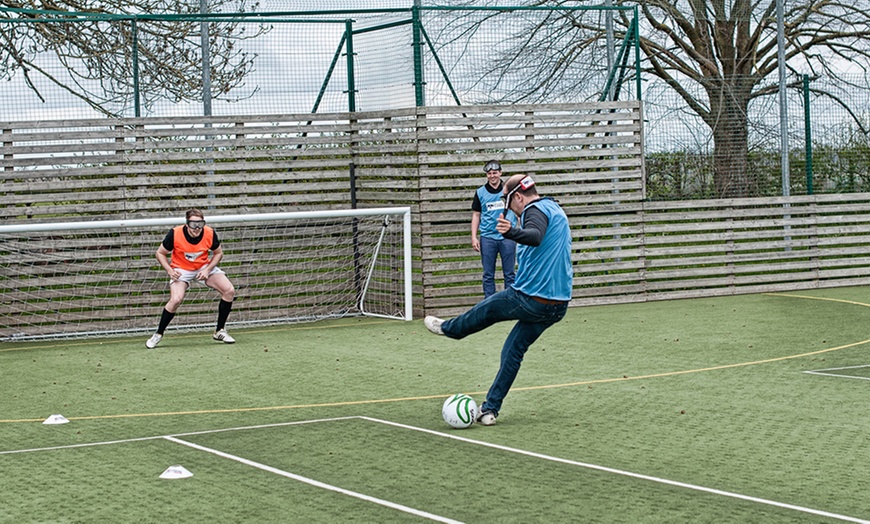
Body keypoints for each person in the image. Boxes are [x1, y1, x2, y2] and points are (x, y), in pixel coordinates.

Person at [425, 174, 573, 426]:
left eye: (507, 201)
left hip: (531, 298)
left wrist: (512, 231)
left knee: (488, 308)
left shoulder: (533, 209)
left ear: (517, 196)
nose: (507, 207)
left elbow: (535, 235)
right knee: (513, 351)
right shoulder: (555, 208)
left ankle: (450, 329)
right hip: (557, 307)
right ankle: (490, 410)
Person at [145, 208, 236, 348]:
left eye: (200, 224)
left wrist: (207, 269)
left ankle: (220, 331)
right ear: (187, 224)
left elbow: (218, 253)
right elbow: (160, 253)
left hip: (202, 268)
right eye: (194, 224)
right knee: (176, 299)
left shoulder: (209, 233)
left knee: (229, 290)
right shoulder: (175, 233)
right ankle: (158, 334)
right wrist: (170, 270)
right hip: (180, 269)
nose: (197, 228)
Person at [472, 160, 516, 298]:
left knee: (509, 273)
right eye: (489, 173)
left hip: (508, 236)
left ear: (500, 173)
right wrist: (474, 237)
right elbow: (476, 215)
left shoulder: (509, 190)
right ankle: (489, 304)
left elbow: (518, 211)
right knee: (488, 274)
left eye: (495, 173)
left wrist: (523, 232)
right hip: (488, 237)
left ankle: (510, 302)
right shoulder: (480, 193)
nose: (492, 176)